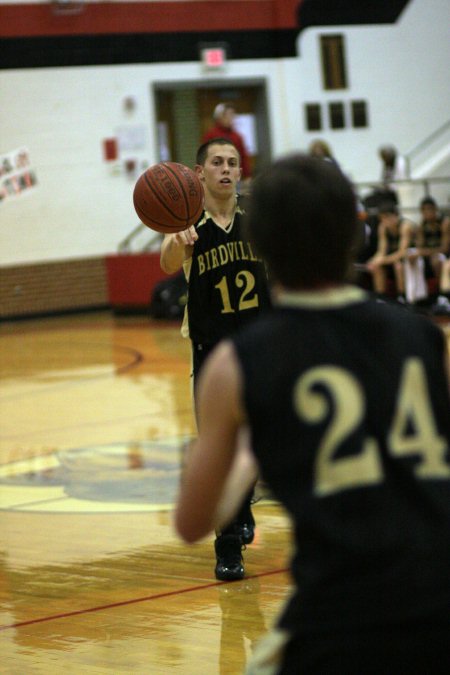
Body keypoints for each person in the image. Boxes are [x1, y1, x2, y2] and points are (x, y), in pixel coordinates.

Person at [174, 153, 450, 674]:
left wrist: (242, 452)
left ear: (263, 248)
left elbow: (191, 521)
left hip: (344, 612)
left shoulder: (243, 364)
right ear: (354, 233)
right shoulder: (422, 337)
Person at [160, 138, 271, 581]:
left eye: (233, 163)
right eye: (217, 163)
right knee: (222, 446)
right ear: (199, 171)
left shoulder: (257, 220)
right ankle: (228, 548)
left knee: (260, 440)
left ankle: (243, 506)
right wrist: (178, 241)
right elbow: (167, 263)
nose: (226, 170)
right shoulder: (187, 222)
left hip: (260, 346)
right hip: (213, 354)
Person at [365, 202, 415, 300]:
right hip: (392, 258)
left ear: (395, 215)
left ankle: (402, 297)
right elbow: (381, 250)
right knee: (376, 266)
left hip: (411, 257)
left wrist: (382, 260)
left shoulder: (405, 226)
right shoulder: (383, 227)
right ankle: (380, 298)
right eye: (382, 218)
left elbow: (402, 252)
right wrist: (374, 260)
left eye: (387, 217)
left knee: (398, 265)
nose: (385, 221)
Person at [202, 103, 252, 180]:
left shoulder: (237, 136)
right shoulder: (210, 135)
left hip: (235, 176)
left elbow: (243, 157)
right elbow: (205, 157)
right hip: (216, 176)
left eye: (232, 116)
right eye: (228, 115)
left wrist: (247, 176)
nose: (231, 119)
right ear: (219, 117)